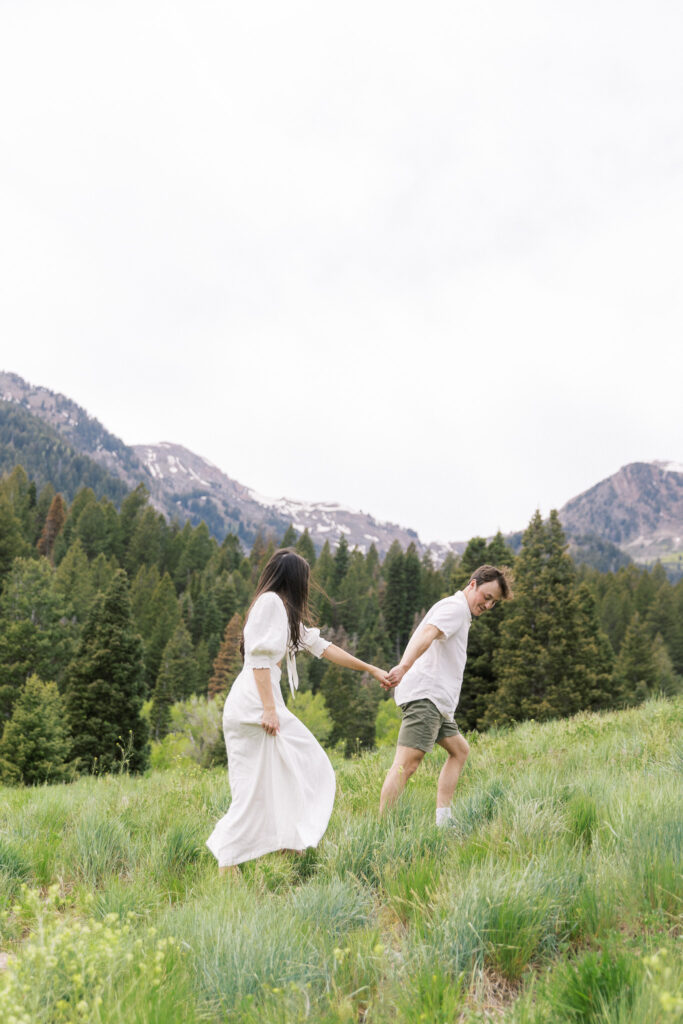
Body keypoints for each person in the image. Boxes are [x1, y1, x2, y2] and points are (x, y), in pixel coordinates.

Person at [206, 547, 388, 871]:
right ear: (294, 579)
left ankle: (288, 849)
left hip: (260, 700)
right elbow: (259, 659)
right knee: (275, 778)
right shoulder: (270, 604)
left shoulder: (284, 613)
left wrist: (371, 669)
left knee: (288, 774)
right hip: (254, 702)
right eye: (305, 580)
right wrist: (269, 709)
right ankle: (238, 860)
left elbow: (325, 648)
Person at [379, 564, 512, 825]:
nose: (488, 605)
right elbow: (428, 633)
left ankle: (444, 822)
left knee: (460, 751)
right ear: (472, 584)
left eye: (494, 602)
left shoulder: (460, 612)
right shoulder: (455, 608)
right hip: (425, 697)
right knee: (407, 764)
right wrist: (404, 667)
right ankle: (383, 829)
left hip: (438, 703)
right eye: (487, 597)